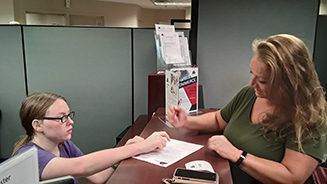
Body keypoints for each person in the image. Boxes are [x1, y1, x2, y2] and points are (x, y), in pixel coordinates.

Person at [167, 34, 327, 184]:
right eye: (252, 73)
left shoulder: (309, 117)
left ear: (289, 83)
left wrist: (237, 155)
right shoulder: (249, 94)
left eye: (262, 81)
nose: (252, 83)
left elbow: (292, 177)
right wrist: (186, 121)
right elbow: (218, 119)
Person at [12, 93, 170, 184]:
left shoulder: (64, 145)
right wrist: (139, 147)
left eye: (69, 115)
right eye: (61, 118)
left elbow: (98, 176)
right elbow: (83, 167)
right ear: (37, 125)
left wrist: (123, 153)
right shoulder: (31, 157)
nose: (70, 121)